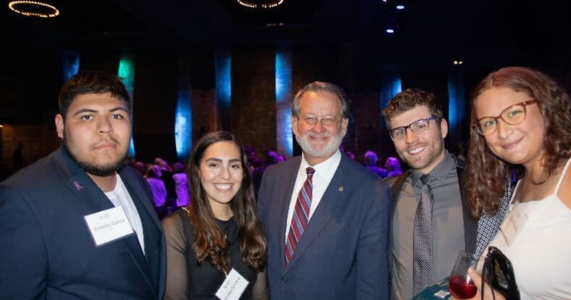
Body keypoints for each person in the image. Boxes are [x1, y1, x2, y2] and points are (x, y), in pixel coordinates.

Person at [0, 72, 166, 299]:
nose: (105, 127)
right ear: (60, 126)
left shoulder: (136, 181)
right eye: (87, 117)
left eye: (117, 116)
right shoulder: (24, 198)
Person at [464, 66, 571, 300]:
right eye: (488, 123)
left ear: (546, 107)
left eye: (514, 113)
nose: (502, 132)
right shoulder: (520, 189)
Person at [258, 81, 391, 300]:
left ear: (344, 126)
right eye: (309, 118)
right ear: (294, 123)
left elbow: (372, 285)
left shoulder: (371, 191)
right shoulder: (272, 178)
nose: (318, 128)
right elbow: (258, 255)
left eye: (329, 119)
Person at [382, 88, 511, 300]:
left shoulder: (488, 186)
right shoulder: (385, 193)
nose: (410, 139)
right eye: (399, 132)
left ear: (442, 127)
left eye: (420, 126)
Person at [162, 131, 269, 300]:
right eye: (214, 165)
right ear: (197, 170)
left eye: (234, 166)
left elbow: (261, 295)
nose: (226, 175)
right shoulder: (176, 228)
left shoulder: (253, 227)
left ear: (244, 173)